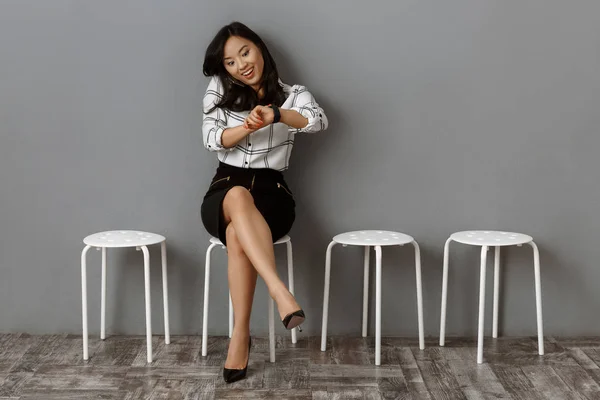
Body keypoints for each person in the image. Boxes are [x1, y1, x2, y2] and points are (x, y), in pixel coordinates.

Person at [200, 21, 329, 383]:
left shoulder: (292, 93)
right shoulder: (219, 91)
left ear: (259, 49)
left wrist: (276, 114)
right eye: (230, 62)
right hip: (224, 188)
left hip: (273, 195)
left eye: (245, 52)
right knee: (238, 196)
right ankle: (280, 291)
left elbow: (317, 122)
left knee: (240, 237)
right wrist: (248, 126)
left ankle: (240, 337)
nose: (241, 64)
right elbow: (212, 139)